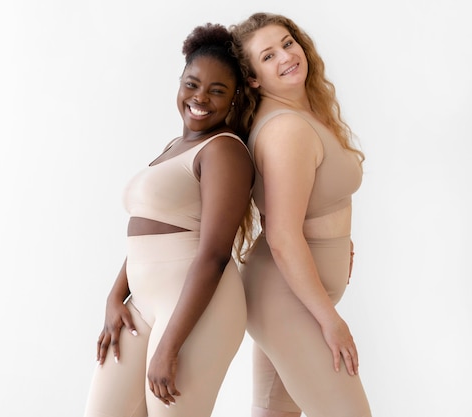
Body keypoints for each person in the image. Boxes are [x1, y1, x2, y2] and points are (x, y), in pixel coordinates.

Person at [83, 23, 255, 417]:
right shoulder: (175, 147)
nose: (200, 98)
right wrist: (114, 296)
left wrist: (169, 346)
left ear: (233, 100)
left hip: (197, 309)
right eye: (192, 85)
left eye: (217, 91)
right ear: (179, 83)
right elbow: (150, 234)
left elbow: (214, 254)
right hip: (141, 304)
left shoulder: (224, 151)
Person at [229, 12, 372, 417]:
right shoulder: (285, 130)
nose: (286, 57)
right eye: (268, 55)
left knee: (274, 412)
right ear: (253, 77)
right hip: (286, 299)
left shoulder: (303, 115)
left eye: (288, 43)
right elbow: (282, 235)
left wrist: (338, 241)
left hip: (291, 292)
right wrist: (331, 321)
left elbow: (312, 202)